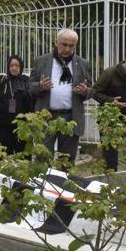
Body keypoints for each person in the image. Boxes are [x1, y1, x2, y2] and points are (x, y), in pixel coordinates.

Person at [29, 29, 93, 162]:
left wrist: (84, 91)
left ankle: (64, 181)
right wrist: (40, 86)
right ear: (56, 43)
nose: (68, 49)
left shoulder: (82, 63)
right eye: (64, 44)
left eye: (72, 45)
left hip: (71, 117)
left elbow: (92, 89)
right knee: (43, 157)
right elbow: (29, 87)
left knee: (67, 160)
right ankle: (42, 181)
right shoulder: (41, 61)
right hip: (46, 116)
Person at [0, 54, 34, 154]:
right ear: (8, 67)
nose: (14, 68)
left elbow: (31, 101)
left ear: (21, 67)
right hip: (2, 125)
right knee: (4, 155)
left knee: (22, 154)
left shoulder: (26, 80)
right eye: (11, 65)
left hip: (21, 125)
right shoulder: (1, 80)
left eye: (17, 66)